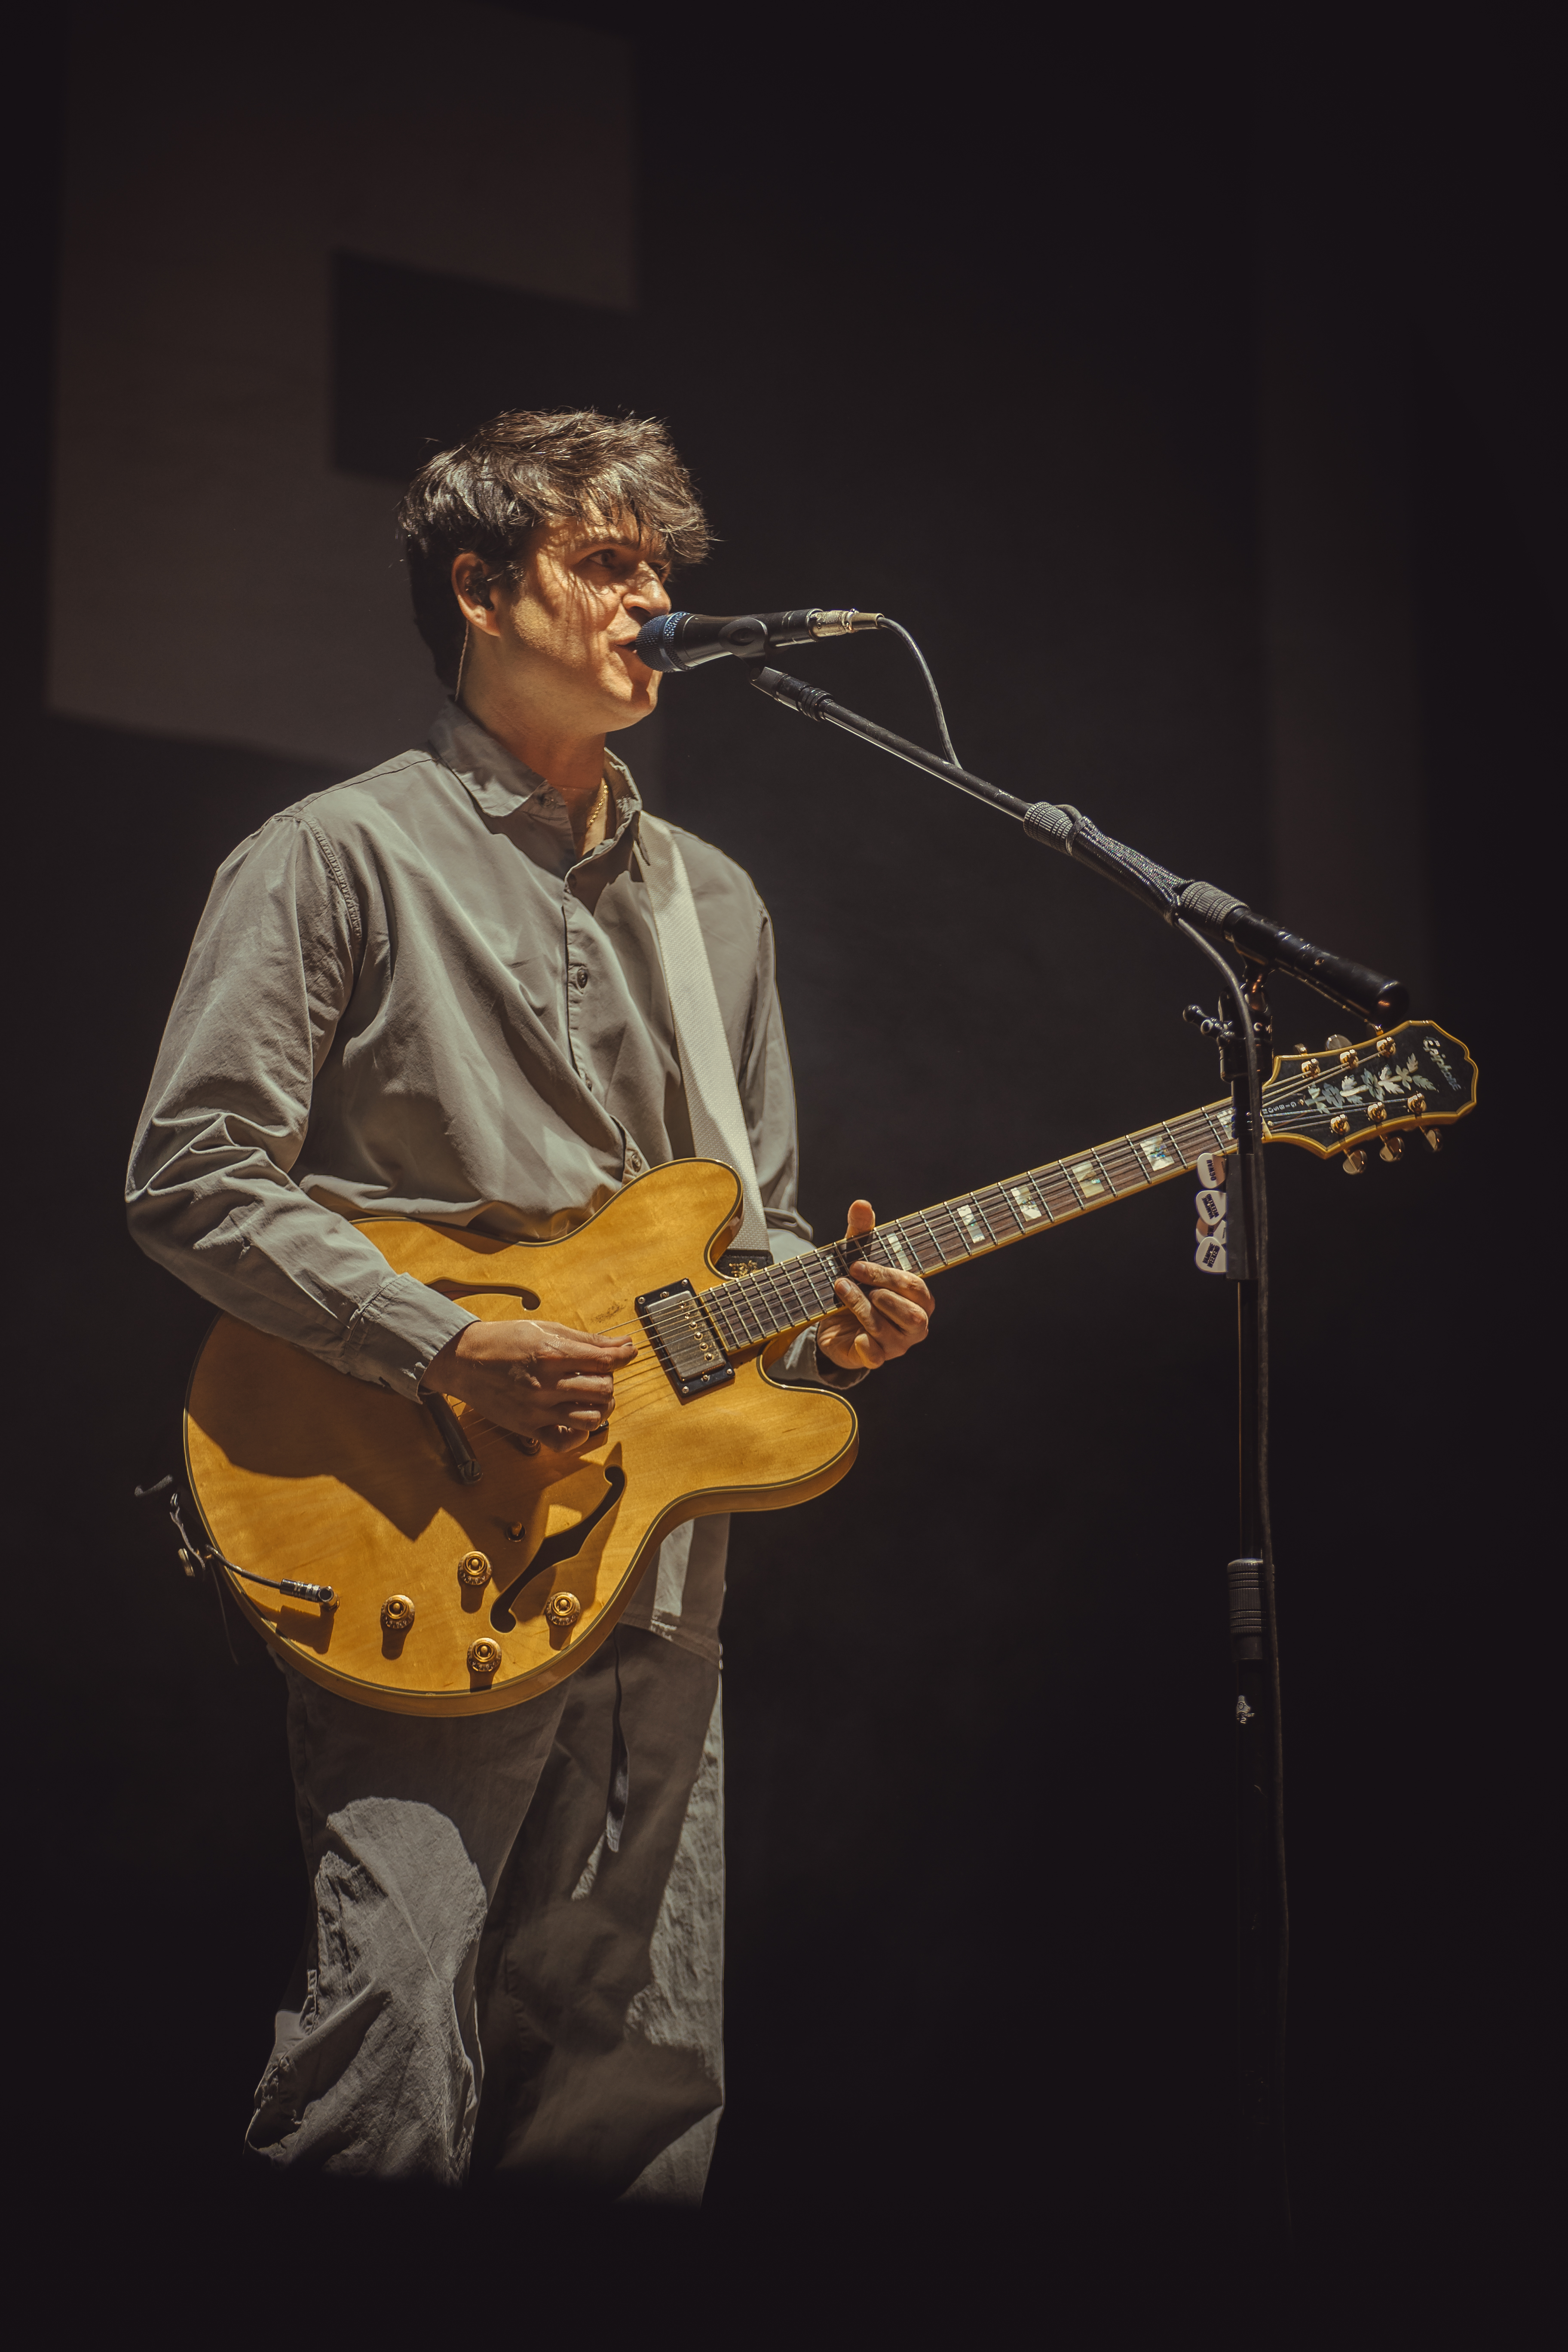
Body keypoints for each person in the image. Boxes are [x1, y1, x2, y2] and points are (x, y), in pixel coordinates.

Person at [126, 409, 932, 2197]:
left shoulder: (716, 904)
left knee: (639, 2082)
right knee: (389, 2040)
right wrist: (452, 1342)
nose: (651, 599)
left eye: (663, 570)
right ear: (481, 590)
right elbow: (191, 1176)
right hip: (422, 1512)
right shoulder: (337, 854)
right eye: (606, 562)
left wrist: (824, 1320)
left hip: (660, 1551)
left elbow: (755, 1233)